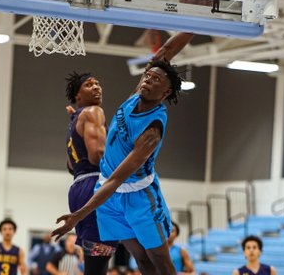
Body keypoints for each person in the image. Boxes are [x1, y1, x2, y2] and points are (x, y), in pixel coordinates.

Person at [52, 32, 194, 275]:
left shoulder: (152, 130)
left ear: (166, 92)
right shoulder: (135, 96)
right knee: (140, 258)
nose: (148, 79)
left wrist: (78, 215)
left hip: (135, 194)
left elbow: (116, 179)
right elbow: (163, 54)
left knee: (158, 258)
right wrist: (192, 24)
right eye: (148, 75)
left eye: (156, 79)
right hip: (107, 195)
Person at [64, 71, 118, 275]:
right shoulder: (94, 112)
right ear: (78, 95)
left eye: (98, 83)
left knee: (95, 264)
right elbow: (97, 155)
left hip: (78, 189)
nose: (97, 87)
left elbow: (70, 166)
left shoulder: (75, 120)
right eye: (89, 85)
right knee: (98, 267)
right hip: (96, 189)